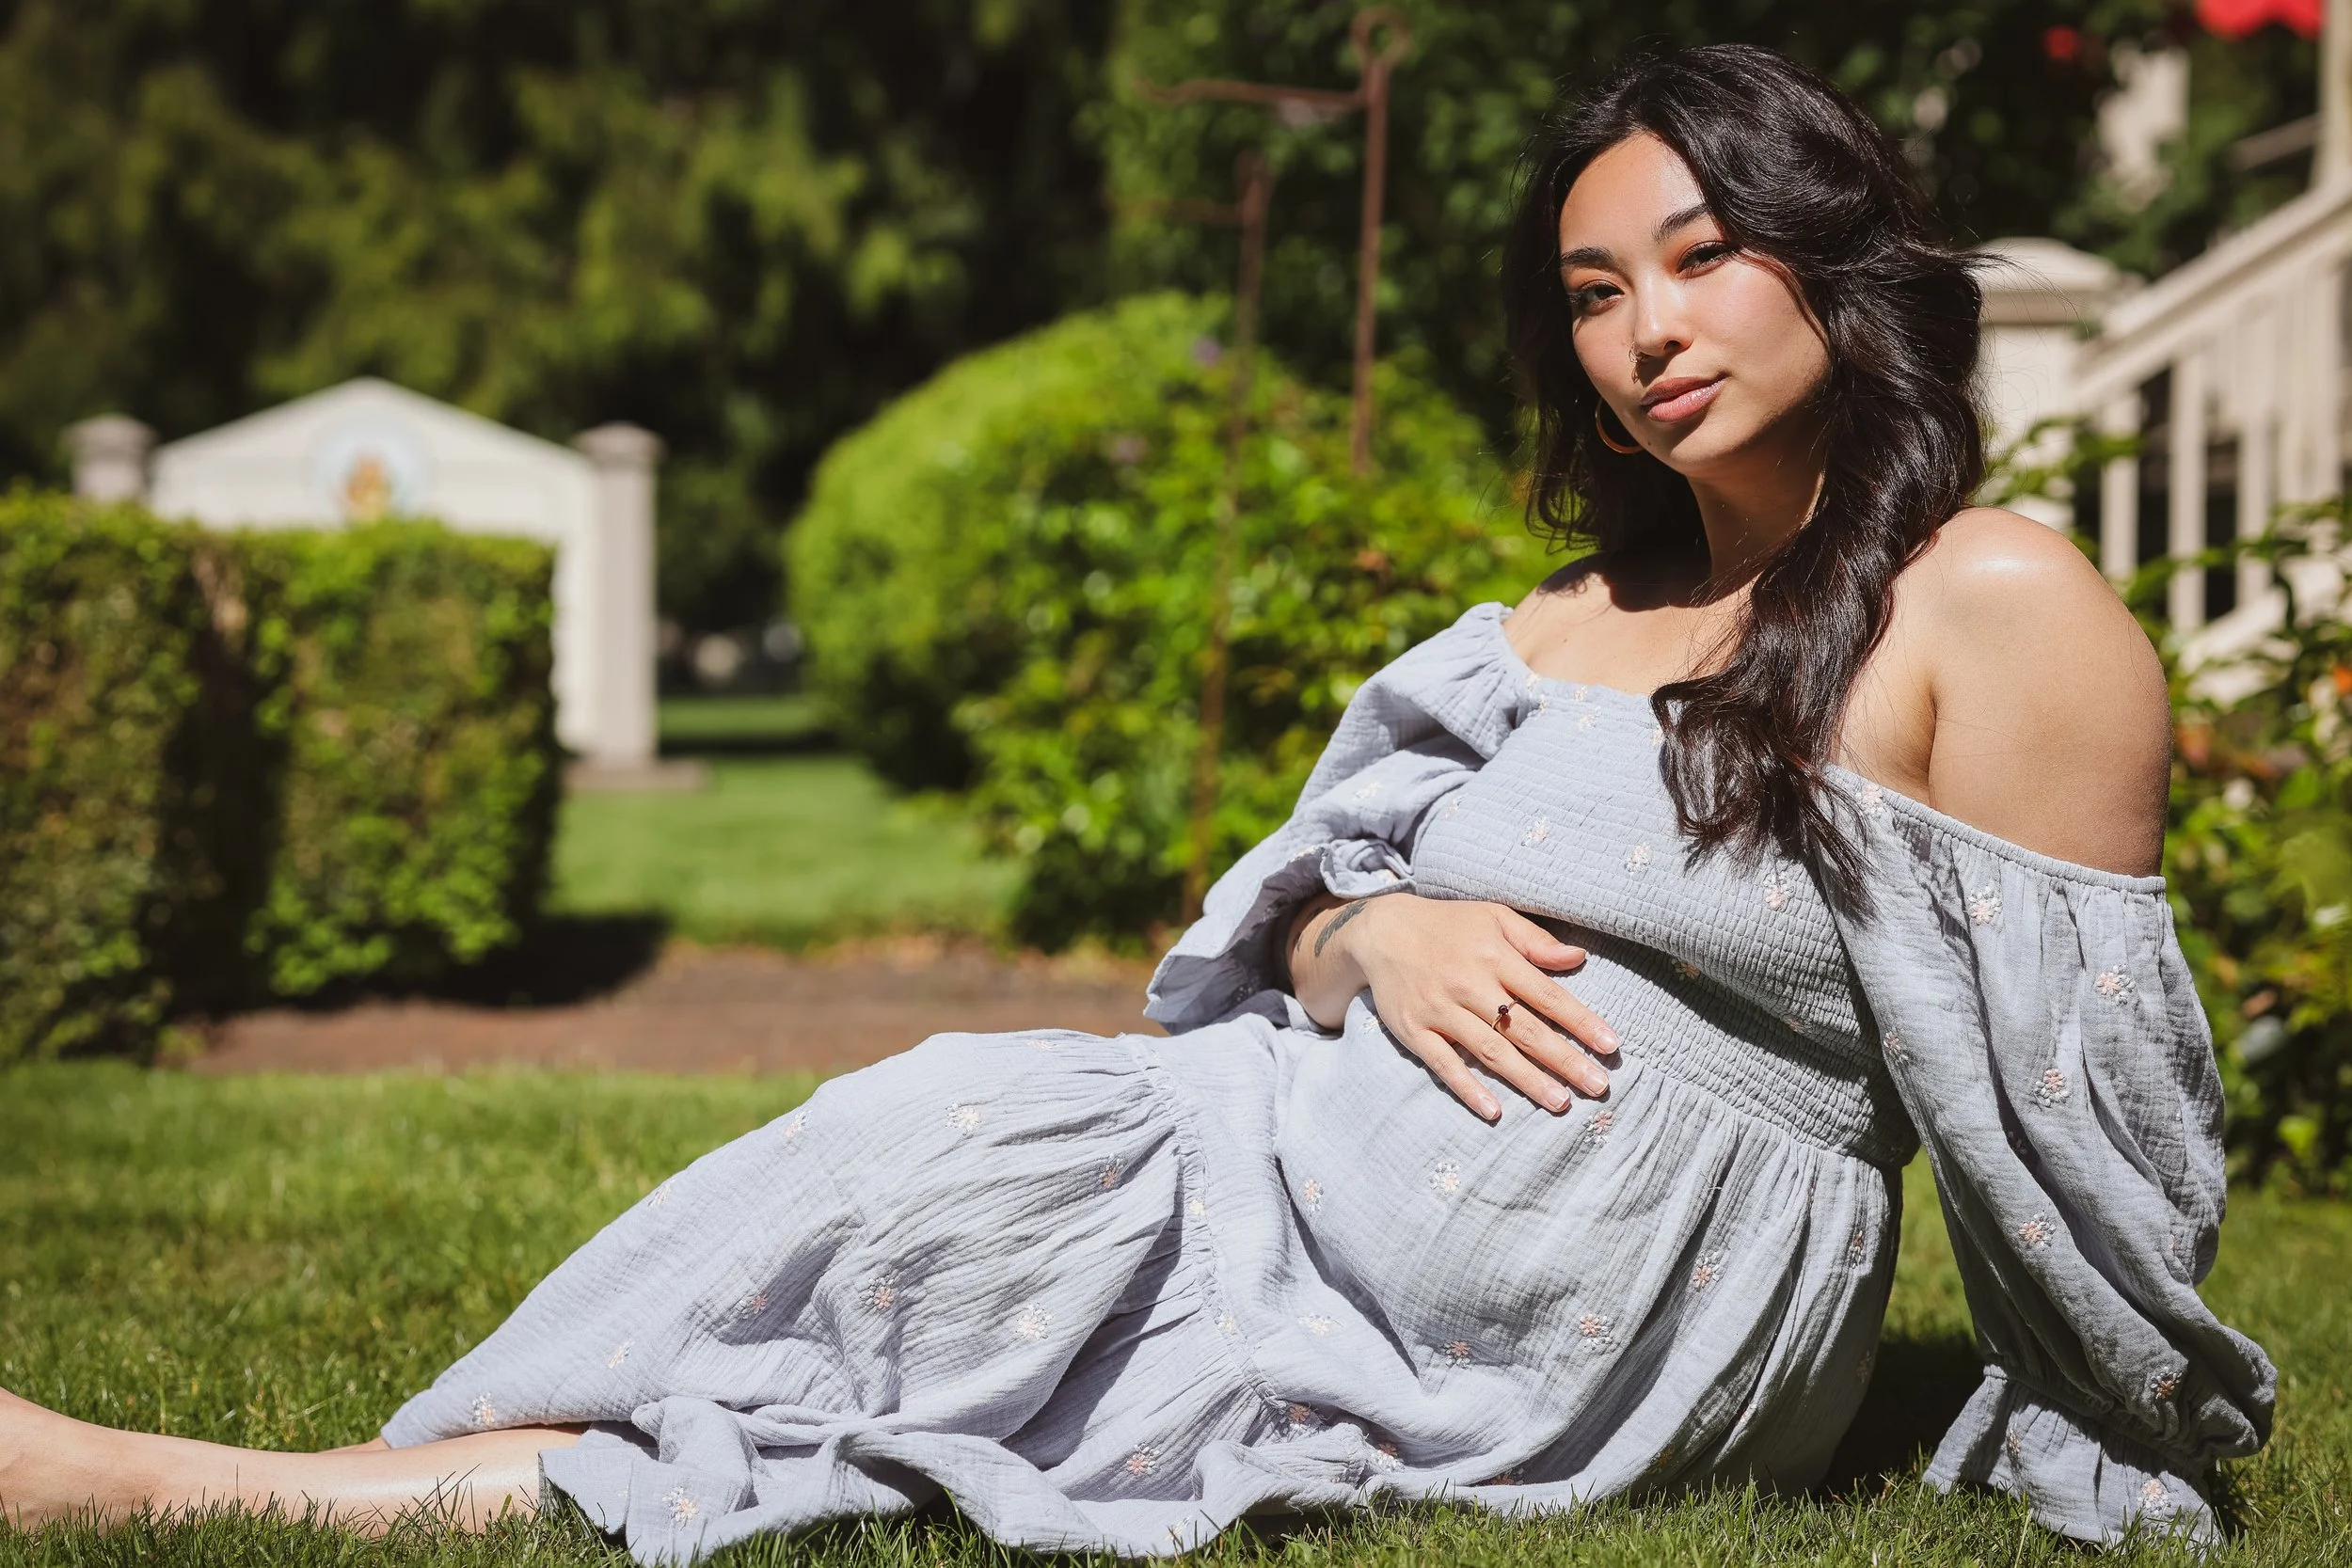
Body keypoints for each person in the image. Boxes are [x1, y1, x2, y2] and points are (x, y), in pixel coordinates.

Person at [0, 42, 2273, 1560]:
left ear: (1830, 256)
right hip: (1265, 1144)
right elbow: (1281, 909)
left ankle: (227, 1486)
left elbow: (2086, 1094)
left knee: (920, 1224)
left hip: (1588, 1317)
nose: (1643, 331)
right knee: (918, 1162)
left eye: (1698, 255)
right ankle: (300, 1479)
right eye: (1592, 293)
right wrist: (1366, 935)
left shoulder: (1986, 603)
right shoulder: (1548, 622)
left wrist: (2114, 1415)